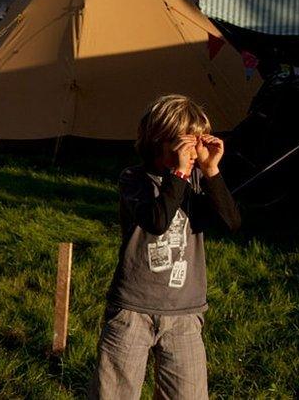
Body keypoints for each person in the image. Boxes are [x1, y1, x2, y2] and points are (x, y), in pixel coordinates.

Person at [91, 94, 241, 399]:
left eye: (198, 141)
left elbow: (231, 222)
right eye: (188, 141)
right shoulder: (134, 179)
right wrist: (179, 173)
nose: (194, 150)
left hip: (186, 313)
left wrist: (211, 171)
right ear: (160, 139)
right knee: (114, 392)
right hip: (133, 310)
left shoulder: (198, 180)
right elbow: (157, 221)